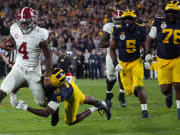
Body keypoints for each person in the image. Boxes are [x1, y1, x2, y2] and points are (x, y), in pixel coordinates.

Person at [15, 68, 110, 126]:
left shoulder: (60, 93)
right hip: (70, 84)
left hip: (72, 95)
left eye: (49, 85)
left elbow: (45, 113)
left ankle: (96, 107)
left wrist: (26, 107)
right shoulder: (48, 77)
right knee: (84, 98)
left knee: (70, 121)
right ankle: (100, 103)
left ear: (56, 86)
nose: (45, 83)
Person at [0, 7, 52, 107]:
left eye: (26, 22)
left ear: (33, 20)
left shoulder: (40, 34)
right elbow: (9, 42)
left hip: (33, 70)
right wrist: (5, 45)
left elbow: (49, 57)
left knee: (42, 103)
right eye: (22, 22)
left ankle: (33, 83)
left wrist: (47, 76)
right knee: (2, 90)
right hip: (18, 67)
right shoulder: (15, 28)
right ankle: (14, 88)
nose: (23, 25)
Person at [110, 9, 149, 118]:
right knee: (128, 91)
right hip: (123, 64)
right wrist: (115, 63)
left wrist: (147, 56)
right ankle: (135, 91)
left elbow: (146, 43)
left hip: (136, 61)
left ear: (134, 20)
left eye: (130, 19)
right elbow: (112, 48)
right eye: (125, 19)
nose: (127, 21)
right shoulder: (117, 30)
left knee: (139, 86)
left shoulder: (140, 29)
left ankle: (145, 111)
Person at [145, 0, 180, 119]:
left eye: (173, 12)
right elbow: (150, 39)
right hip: (162, 59)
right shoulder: (159, 22)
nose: (171, 14)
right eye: (169, 12)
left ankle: (179, 110)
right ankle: (169, 95)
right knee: (165, 89)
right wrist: (148, 53)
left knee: (178, 84)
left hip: (177, 59)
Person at [99, 10, 127, 117]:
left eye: (120, 20)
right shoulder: (109, 27)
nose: (119, 22)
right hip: (112, 54)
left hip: (125, 55)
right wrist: (115, 43)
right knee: (111, 77)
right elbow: (102, 43)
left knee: (123, 74)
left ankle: (122, 94)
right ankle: (108, 94)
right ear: (113, 20)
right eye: (117, 20)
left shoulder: (129, 26)